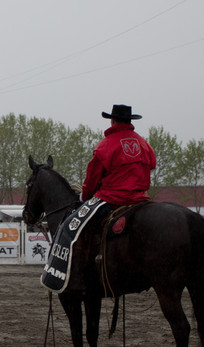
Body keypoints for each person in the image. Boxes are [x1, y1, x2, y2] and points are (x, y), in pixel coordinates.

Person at [42, 105, 156, 291]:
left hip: (112, 197)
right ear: (130, 121)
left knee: (70, 227)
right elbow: (150, 166)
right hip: (140, 198)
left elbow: (92, 179)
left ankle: (76, 275)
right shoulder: (144, 144)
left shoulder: (106, 145)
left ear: (112, 120)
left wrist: (85, 197)